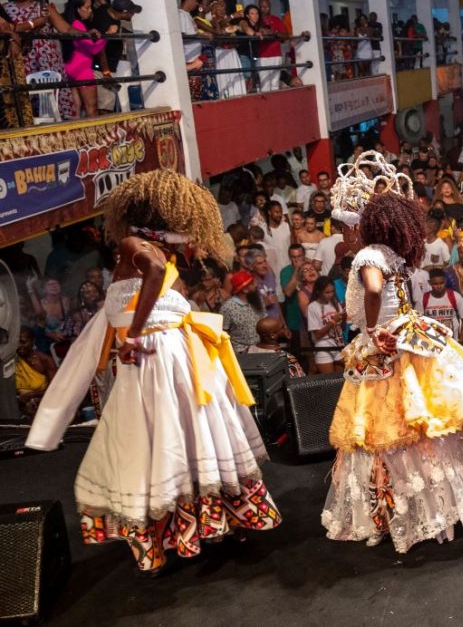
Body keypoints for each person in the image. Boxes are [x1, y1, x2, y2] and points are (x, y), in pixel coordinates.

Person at [26, 170, 280, 575]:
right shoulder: (167, 252)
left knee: (155, 442)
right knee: (192, 438)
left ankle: (179, 534)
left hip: (154, 356)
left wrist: (135, 333)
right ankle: (217, 525)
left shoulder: (135, 245)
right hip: (174, 356)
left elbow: (154, 277)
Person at [321, 152, 463, 553]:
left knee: (387, 431)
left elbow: (374, 289)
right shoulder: (393, 254)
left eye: (344, 225)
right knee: (428, 428)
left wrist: (372, 328)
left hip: (386, 348)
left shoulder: (368, 256)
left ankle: (405, 512)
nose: (343, 232)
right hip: (409, 339)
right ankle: (436, 506)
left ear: (358, 226)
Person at [60, 0, 109, 118]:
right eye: (87, 8)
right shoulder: (77, 25)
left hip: (70, 68)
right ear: (77, 9)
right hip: (82, 70)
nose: (90, 11)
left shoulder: (68, 23)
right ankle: (95, 135)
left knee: (76, 108)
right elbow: (93, 49)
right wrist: (106, 36)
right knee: (91, 108)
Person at [306, 275, 345, 373]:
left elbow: (342, 328)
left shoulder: (335, 303)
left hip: (338, 344)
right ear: (318, 291)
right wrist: (333, 321)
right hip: (323, 346)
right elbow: (317, 335)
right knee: (329, 381)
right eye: (327, 292)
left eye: (332, 291)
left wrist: (344, 316)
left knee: (341, 379)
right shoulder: (313, 307)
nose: (331, 295)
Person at [15, 326, 56, 417]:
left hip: (43, 403)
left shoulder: (44, 360)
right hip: (19, 405)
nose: (19, 346)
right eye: (16, 342)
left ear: (33, 341)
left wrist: (31, 395)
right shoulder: (12, 361)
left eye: (23, 342)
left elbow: (56, 389)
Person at [221, 269, 266, 352]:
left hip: (261, 348)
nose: (255, 285)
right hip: (241, 353)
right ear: (245, 289)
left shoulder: (258, 300)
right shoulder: (228, 308)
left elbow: (265, 320)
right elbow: (223, 333)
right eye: (252, 284)